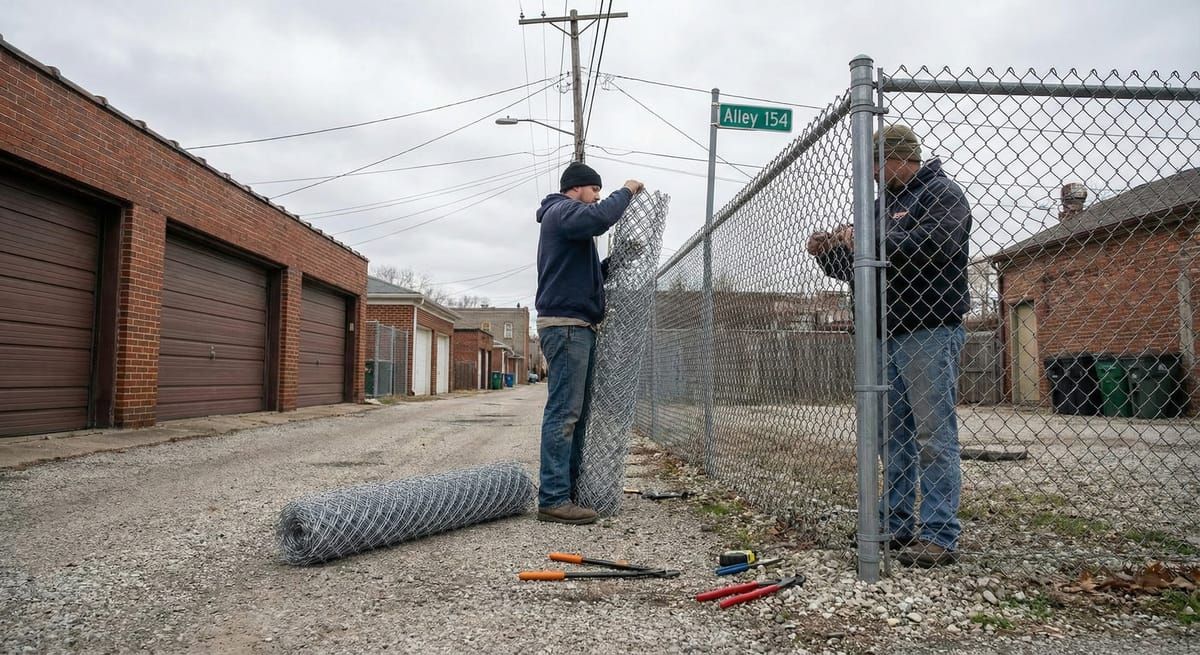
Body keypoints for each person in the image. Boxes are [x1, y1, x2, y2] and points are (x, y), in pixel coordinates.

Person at [807, 124, 971, 566]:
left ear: (899, 158)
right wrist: (829, 253)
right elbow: (863, 265)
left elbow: (932, 245)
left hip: (929, 329)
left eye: (876, 165)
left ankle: (939, 533)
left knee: (934, 434)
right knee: (890, 436)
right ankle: (895, 523)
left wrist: (863, 238)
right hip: (883, 332)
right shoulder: (881, 207)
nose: (873, 175)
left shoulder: (942, 194)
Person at [534, 161, 645, 524]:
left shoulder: (568, 224)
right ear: (577, 188)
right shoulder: (561, 211)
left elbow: (589, 275)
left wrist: (618, 260)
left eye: (601, 190)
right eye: (594, 189)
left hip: (576, 326)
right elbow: (599, 218)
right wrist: (625, 191)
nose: (597, 195)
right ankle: (553, 498)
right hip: (567, 328)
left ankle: (565, 493)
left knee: (573, 415)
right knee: (564, 413)